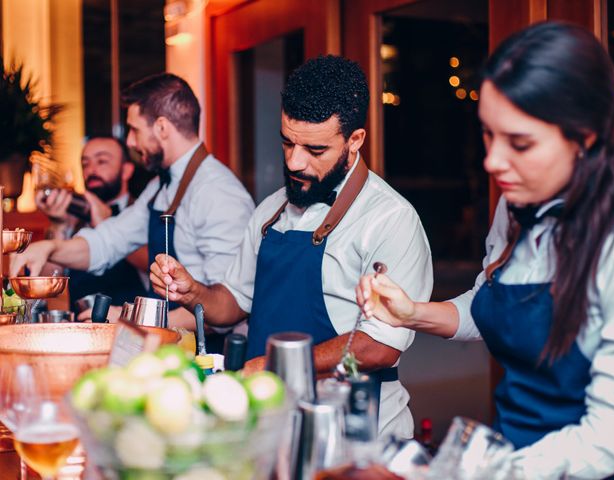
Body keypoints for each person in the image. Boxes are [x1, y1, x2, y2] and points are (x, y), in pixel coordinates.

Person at [357, 22, 614, 479]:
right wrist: (411, 313)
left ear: (584, 137)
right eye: (489, 134)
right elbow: (493, 309)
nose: (492, 161)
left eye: (520, 143)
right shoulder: (517, 204)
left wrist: (483, 472)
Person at [149, 55, 433, 438]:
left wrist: (276, 364)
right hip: (267, 422)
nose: (295, 162)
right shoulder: (271, 209)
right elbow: (232, 302)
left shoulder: (390, 219)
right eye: (287, 143)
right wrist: (193, 291)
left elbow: (378, 346)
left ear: (355, 141)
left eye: (315, 151)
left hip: (353, 429)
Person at [11, 73, 255, 336]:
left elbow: (224, 307)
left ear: (162, 128)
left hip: (207, 355)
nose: (129, 141)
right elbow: (108, 241)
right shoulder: (159, 187)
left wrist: (133, 318)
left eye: (135, 129)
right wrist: (49, 247)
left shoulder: (219, 193)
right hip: (165, 345)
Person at [36, 136, 149, 310]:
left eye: (102, 161)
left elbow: (152, 264)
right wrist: (59, 226)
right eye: (85, 164)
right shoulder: (74, 218)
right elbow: (45, 286)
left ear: (126, 170)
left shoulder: (143, 212)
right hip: (81, 327)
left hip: (133, 329)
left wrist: (104, 224)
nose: (92, 170)